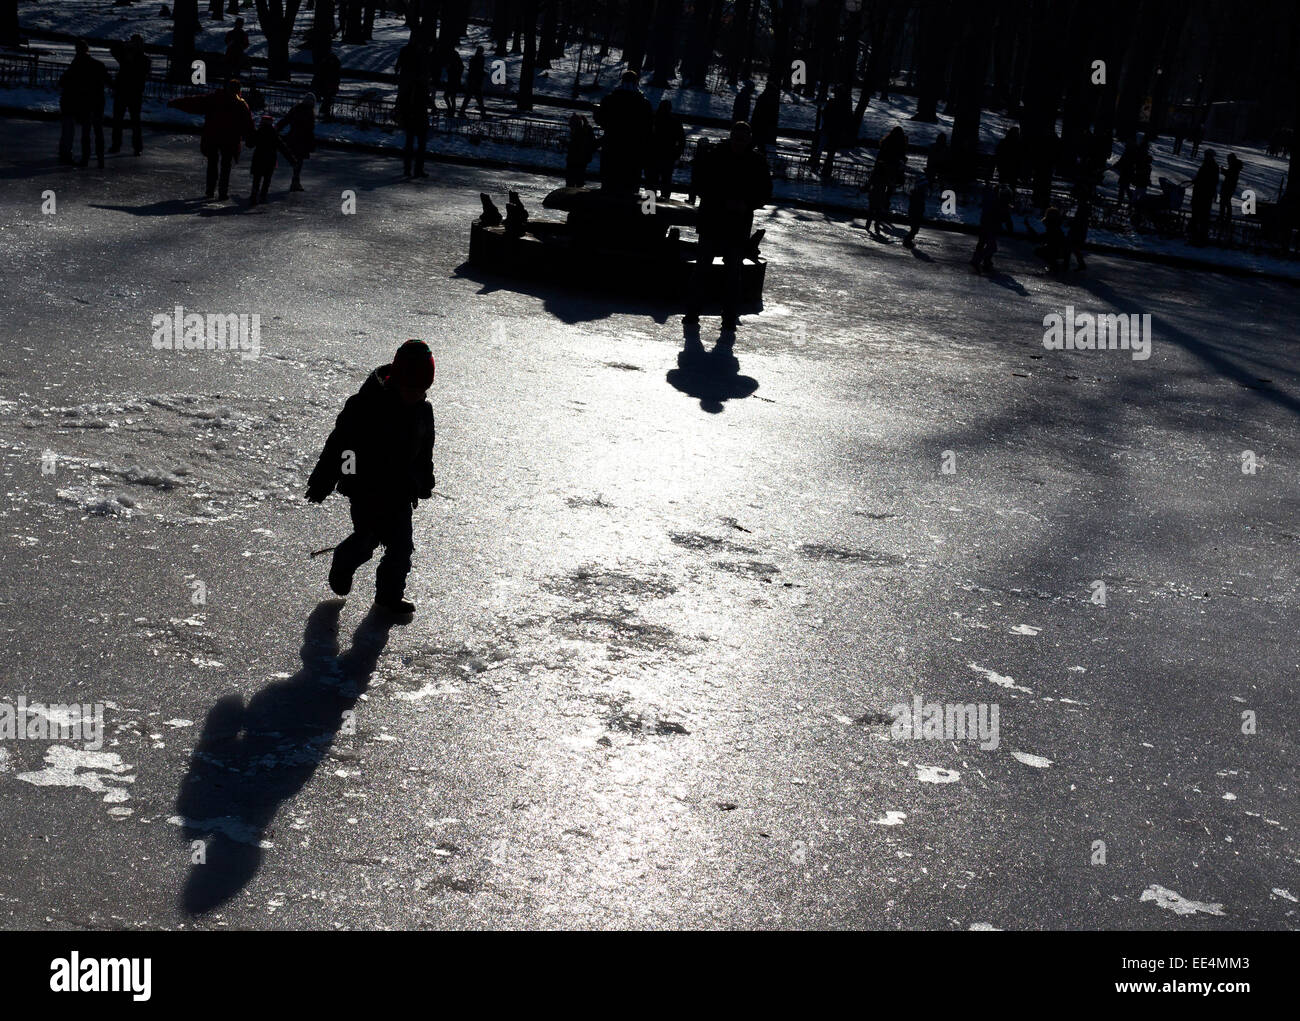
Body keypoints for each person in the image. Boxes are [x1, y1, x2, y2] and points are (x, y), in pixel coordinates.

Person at [306, 339, 437, 617]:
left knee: (401, 548)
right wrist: (326, 479)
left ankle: (389, 598)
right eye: (411, 388)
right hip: (365, 486)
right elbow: (340, 445)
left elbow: (424, 450)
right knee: (368, 539)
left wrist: (424, 479)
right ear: (396, 380)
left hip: (401, 490)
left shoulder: (423, 411)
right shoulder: (366, 406)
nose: (416, 395)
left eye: (422, 389)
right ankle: (344, 560)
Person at [684, 121, 773, 333]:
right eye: (736, 138)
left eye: (742, 139)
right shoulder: (717, 156)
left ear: (748, 139)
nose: (738, 143)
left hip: (733, 223)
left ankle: (728, 316)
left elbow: (764, 192)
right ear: (731, 137)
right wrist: (726, 202)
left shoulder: (753, 161)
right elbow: (699, 182)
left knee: (731, 272)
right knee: (705, 269)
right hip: (716, 220)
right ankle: (695, 312)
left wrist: (746, 204)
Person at [167, 78, 255, 200]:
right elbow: (248, 124)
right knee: (226, 166)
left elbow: (194, 103)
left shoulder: (215, 99)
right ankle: (222, 193)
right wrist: (251, 137)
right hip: (230, 139)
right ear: (239, 91)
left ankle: (210, 191)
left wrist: (175, 102)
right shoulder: (241, 104)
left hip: (213, 136)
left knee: (212, 163)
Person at [594, 70, 653, 192]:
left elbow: (600, 118)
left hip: (612, 144)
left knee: (609, 181)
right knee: (629, 184)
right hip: (633, 148)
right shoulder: (643, 103)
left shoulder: (610, 99)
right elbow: (648, 127)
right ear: (636, 83)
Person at [58, 40, 109, 168]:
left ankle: (85, 158)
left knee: (86, 133)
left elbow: (64, 81)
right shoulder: (99, 65)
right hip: (98, 101)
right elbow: (109, 81)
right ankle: (100, 158)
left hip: (85, 103)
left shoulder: (77, 64)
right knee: (98, 131)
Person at [109, 34, 149, 156]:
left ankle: (130, 146)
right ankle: (132, 146)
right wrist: (125, 47)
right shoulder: (128, 56)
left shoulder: (141, 59)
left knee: (129, 121)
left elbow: (142, 73)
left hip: (130, 92)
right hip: (130, 92)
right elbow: (113, 50)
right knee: (125, 120)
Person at [396, 41, 430, 178]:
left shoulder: (410, 87)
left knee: (411, 145)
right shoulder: (418, 87)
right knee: (419, 145)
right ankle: (416, 169)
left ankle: (409, 169)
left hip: (412, 117)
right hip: (417, 117)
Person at [276, 94, 315, 192]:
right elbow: (309, 129)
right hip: (302, 140)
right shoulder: (309, 112)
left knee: (295, 159)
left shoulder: (296, 109)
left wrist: (277, 127)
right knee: (299, 161)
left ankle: (296, 181)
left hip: (293, 137)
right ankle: (295, 181)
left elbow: (286, 120)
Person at [651, 99, 685, 201]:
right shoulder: (675, 121)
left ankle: (649, 203)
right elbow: (681, 139)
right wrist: (678, 152)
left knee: (652, 179)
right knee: (666, 178)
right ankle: (665, 200)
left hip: (654, 153)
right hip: (669, 154)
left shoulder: (654, 120)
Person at [1188, 149, 1219, 244]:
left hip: (1204, 194)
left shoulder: (1211, 166)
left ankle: (1199, 238)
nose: (1206, 156)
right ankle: (1197, 237)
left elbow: (1212, 181)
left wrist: (1197, 181)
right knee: (1199, 216)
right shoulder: (1209, 165)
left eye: (1207, 155)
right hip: (1202, 193)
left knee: (1201, 217)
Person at [248, 113, 278, 205]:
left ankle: (254, 195)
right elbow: (283, 147)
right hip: (270, 161)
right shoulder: (274, 134)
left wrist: (250, 134)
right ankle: (263, 196)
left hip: (258, 159)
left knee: (256, 179)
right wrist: (292, 160)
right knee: (266, 180)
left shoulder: (259, 132)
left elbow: (250, 144)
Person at [565, 113, 596, 187]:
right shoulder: (586, 129)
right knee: (579, 179)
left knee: (572, 180)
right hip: (582, 159)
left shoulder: (579, 132)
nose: (570, 126)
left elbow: (575, 146)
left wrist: (567, 144)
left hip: (575, 159)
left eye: (571, 124)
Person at [311, 50, 342, 121]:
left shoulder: (332, 66)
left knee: (327, 100)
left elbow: (336, 78)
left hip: (329, 86)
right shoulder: (328, 65)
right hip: (325, 86)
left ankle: (323, 113)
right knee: (326, 100)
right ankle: (323, 113)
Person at [750, 85, 778, 151]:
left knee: (756, 140)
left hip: (759, 123)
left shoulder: (763, 97)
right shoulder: (769, 99)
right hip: (762, 123)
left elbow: (756, 111)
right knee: (758, 141)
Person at [903, 173, 929, 246]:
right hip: (915, 213)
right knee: (915, 229)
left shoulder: (918, 194)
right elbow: (917, 205)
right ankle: (907, 240)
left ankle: (908, 240)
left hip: (916, 212)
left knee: (915, 229)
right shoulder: (918, 195)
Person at [460, 45, 486, 115]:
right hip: (476, 81)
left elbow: (473, 70)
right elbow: (478, 70)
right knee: (479, 98)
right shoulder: (480, 59)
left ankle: (462, 111)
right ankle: (483, 114)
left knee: (469, 97)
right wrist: (482, 74)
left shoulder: (474, 59)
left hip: (472, 81)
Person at [994, 125, 1022, 189]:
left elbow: (998, 153)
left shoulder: (1003, 142)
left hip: (1004, 167)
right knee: (1011, 185)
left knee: (1003, 183)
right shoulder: (1019, 144)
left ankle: (1001, 195)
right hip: (1012, 168)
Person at [1219, 152, 1243, 222]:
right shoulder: (1234, 166)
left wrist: (1223, 171)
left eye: (1228, 159)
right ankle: (1225, 217)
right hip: (1229, 186)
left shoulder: (1234, 166)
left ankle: (1224, 217)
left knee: (1225, 201)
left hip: (1228, 186)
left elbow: (1230, 175)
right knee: (1225, 202)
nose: (1227, 161)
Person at [688, 137, 710, 204]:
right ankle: (693, 199)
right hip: (700, 171)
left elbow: (699, 160)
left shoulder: (701, 151)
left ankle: (691, 199)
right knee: (697, 187)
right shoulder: (706, 151)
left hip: (698, 171)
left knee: (694, 186)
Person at [442, 47, 463, 114]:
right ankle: (451, 110)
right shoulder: (458, 61)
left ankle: (451, 110)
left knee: (448, 97)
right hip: (453, 81)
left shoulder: (454, 61)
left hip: (452, 81)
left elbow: (450, 70)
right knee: (451, 97)